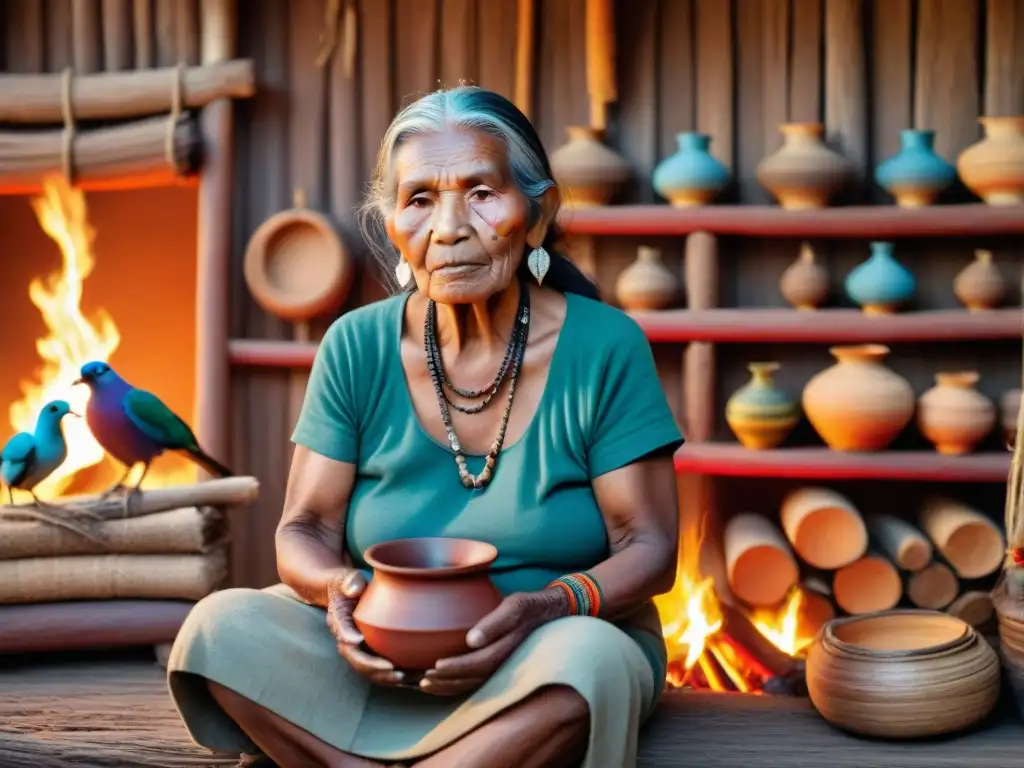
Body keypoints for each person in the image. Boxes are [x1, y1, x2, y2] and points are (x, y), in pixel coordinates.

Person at [167, 85, 683, 768]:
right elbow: (304, 531)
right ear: (389, 223)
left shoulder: (604, 346)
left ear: (537, 211)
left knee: (594, 665)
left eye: (480, 193)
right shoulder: (355, 346)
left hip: (542, 652)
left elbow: (648, 545)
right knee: (219, 628)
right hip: (381, 654)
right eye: (419, 200)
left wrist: (546, 607)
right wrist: (339, 595)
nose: (447, 227)